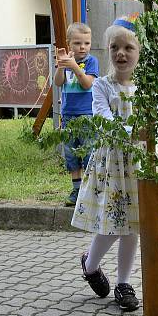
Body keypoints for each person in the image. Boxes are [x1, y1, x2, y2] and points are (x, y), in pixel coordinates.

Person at [72, 19, 141, 312]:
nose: (121, 54)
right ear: (108, 50)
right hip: (112, 163)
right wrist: (133, 133)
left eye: (129, 48)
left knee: (133, 225)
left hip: (139, 163)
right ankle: (90, 264)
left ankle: (124, 283)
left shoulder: (144, 88)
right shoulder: (102, 85)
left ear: (140, 52)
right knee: (112, 223)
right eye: (115, 47)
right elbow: (104, 120)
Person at [54, 22, 99, 206]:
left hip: (87, 115)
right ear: (69, 44)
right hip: (68, 115)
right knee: (71, 154)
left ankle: (90, 191)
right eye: (78, 43)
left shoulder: (91, 62)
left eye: (87, 43)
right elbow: (58, 82)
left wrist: (74, 66)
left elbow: (87, 84)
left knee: (88, 153)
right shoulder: (67, 62)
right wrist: (60, 65)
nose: (83, 47)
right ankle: (76, 189)